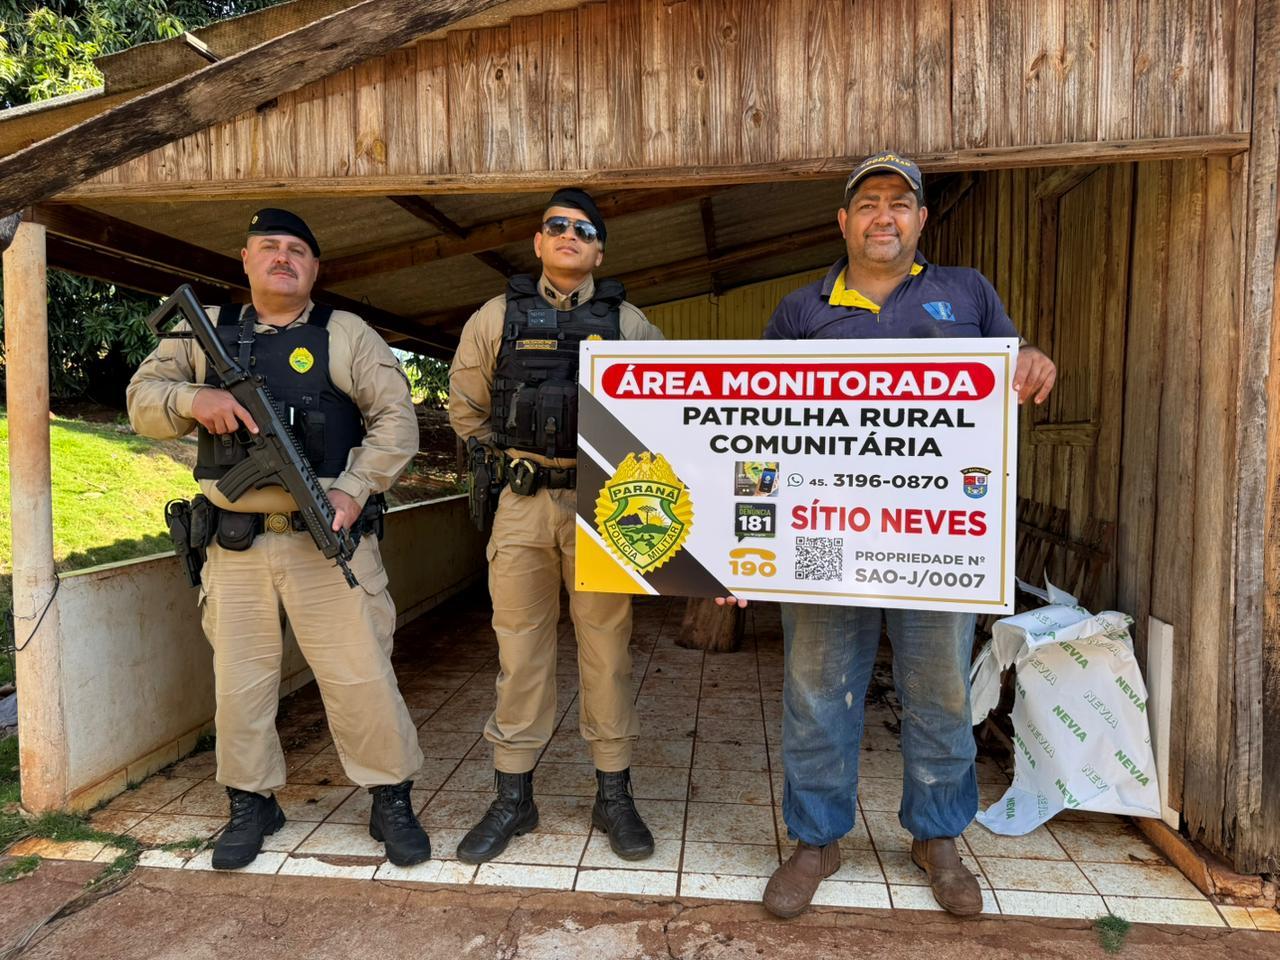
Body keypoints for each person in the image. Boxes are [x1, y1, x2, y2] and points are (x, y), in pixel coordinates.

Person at [732, 152, 1056, 919]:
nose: (885, 215)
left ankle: (937, 837)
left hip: (934, 546)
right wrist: (739, 545)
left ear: (920, 221)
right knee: (816, 692)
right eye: (869, 203)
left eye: (900, 204)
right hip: (823, 545)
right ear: (843, 222)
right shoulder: (799, 311)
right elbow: (752, 431)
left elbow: (1013, 369)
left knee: (941, 693)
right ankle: (817, 840)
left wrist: (1032, 359)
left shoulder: (967, 293)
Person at [127, 208, 429, 870]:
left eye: (297, 250)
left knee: (360, 678)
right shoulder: (206, 333)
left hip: (328, 540)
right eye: (270, 247)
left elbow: (396, 422)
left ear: (315, 269)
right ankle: (250, 801)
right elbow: (142, 401)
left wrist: (352, 488)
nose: (283, 258)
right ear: (246, 259)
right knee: (241, 685)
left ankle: (389, 797)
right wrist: (190, 401)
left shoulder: (344, 333)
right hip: (234, 547)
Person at [448, 188, 663, 863]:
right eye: (556, 226)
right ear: (538, 242)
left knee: (607, 650)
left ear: (600, 249)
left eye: (583, 229)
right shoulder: (496, 316)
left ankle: (614, 793)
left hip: (605, 506)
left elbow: (671, 411)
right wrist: (509, 463)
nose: (569, 235)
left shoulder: (629, 323)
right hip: (522, 501)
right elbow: (465, 407)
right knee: (519, 650)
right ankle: (514, 796)